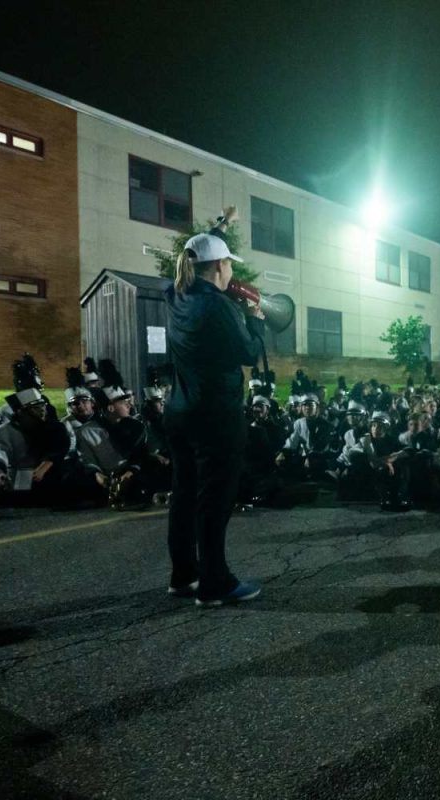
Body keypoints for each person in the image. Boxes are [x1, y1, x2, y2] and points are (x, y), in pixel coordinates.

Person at [164, 229, 264, 606]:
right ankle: (215, 584)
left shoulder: (176, 294)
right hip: (216, 416)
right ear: (220, 266)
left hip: (180, 411)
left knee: (185, 496)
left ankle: (183, 575)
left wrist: (219, 230)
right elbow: (248, 352)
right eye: (227, 265)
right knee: (214, 500)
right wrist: (255, 320)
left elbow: (194, 255)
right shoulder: (221, 307)